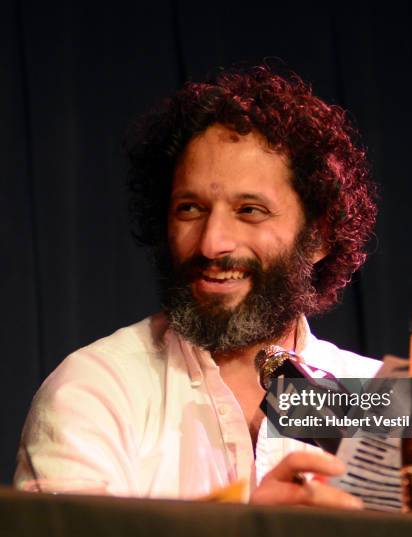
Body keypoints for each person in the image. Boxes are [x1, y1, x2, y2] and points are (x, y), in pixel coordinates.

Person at [14, 65, 381, 508]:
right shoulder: (96, 389)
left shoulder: (377, 395)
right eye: (190, 208)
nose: (212, 243)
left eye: (250, 210)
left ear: (319, 236)